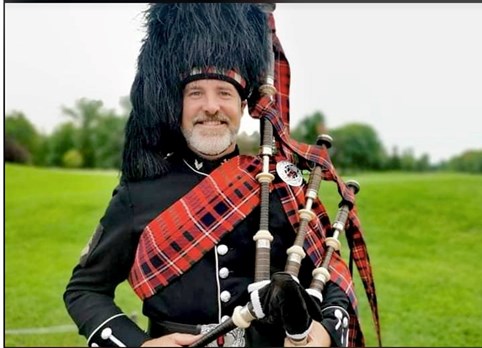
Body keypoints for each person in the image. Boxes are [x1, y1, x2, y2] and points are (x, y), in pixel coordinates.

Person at [63, 3, 379, 347]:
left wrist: (326, 331)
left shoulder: (279, 186)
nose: (211, 106)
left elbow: (329, 275)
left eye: (225, 93)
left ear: (243, 106)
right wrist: (139, 345)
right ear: (177, 105)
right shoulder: (138, 195)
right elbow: (85, 289)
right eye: (196, 93)